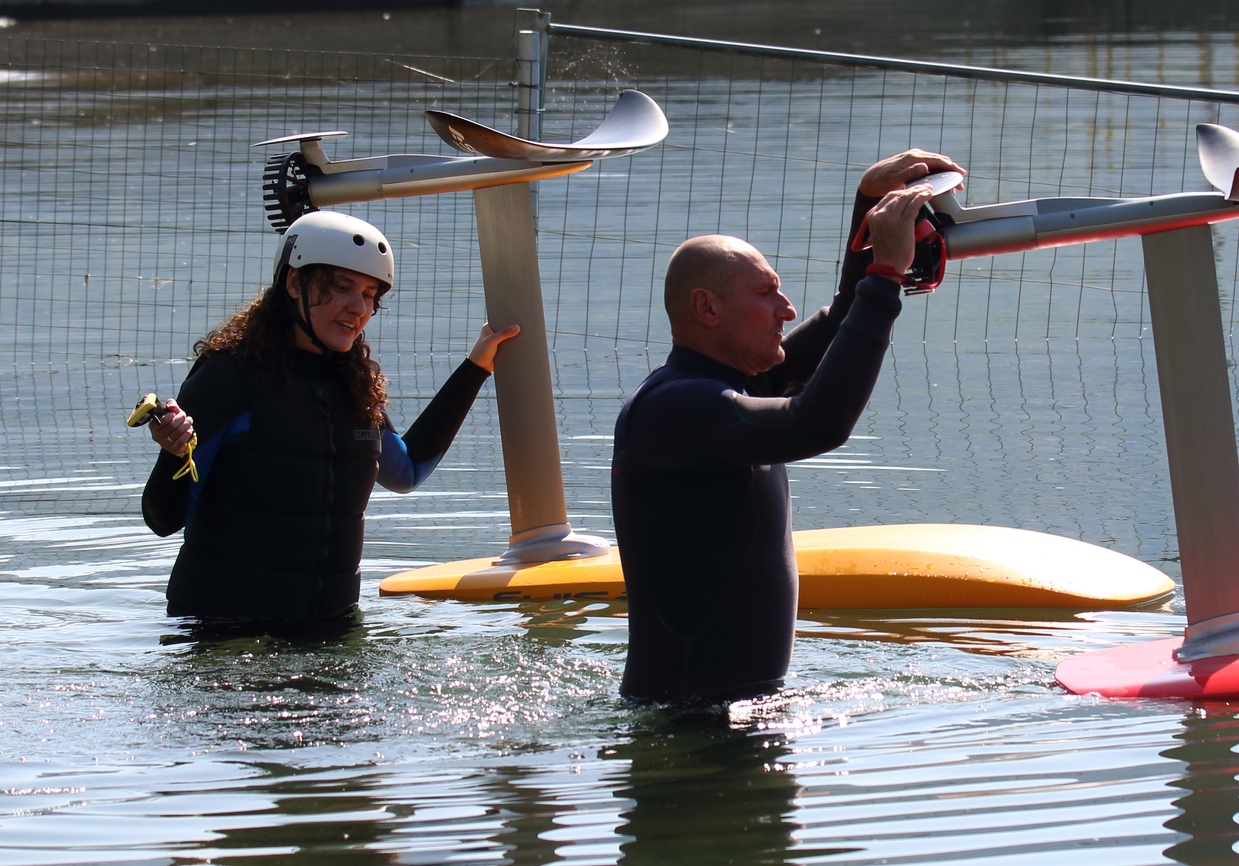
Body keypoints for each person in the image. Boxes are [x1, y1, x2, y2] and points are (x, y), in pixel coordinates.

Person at [612, 149, 962, 706]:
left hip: (737, 721)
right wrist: (887, 274)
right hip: (687, 736)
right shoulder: (675, 408)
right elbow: (817, 424)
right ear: (707, 308)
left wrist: (869, 205)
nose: (787, 309)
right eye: (765, 292)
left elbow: (844, 313)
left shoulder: (735, 390)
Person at [141, 211, 518, 625]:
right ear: (294, 283)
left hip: (333, 632)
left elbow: (406, 470)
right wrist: (175, 453)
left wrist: (476, 367)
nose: (359, 308)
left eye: (371, 294)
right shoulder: (227, 378)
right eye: (342, 288)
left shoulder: (354, 384)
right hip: (226, 637)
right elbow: (163, 519)